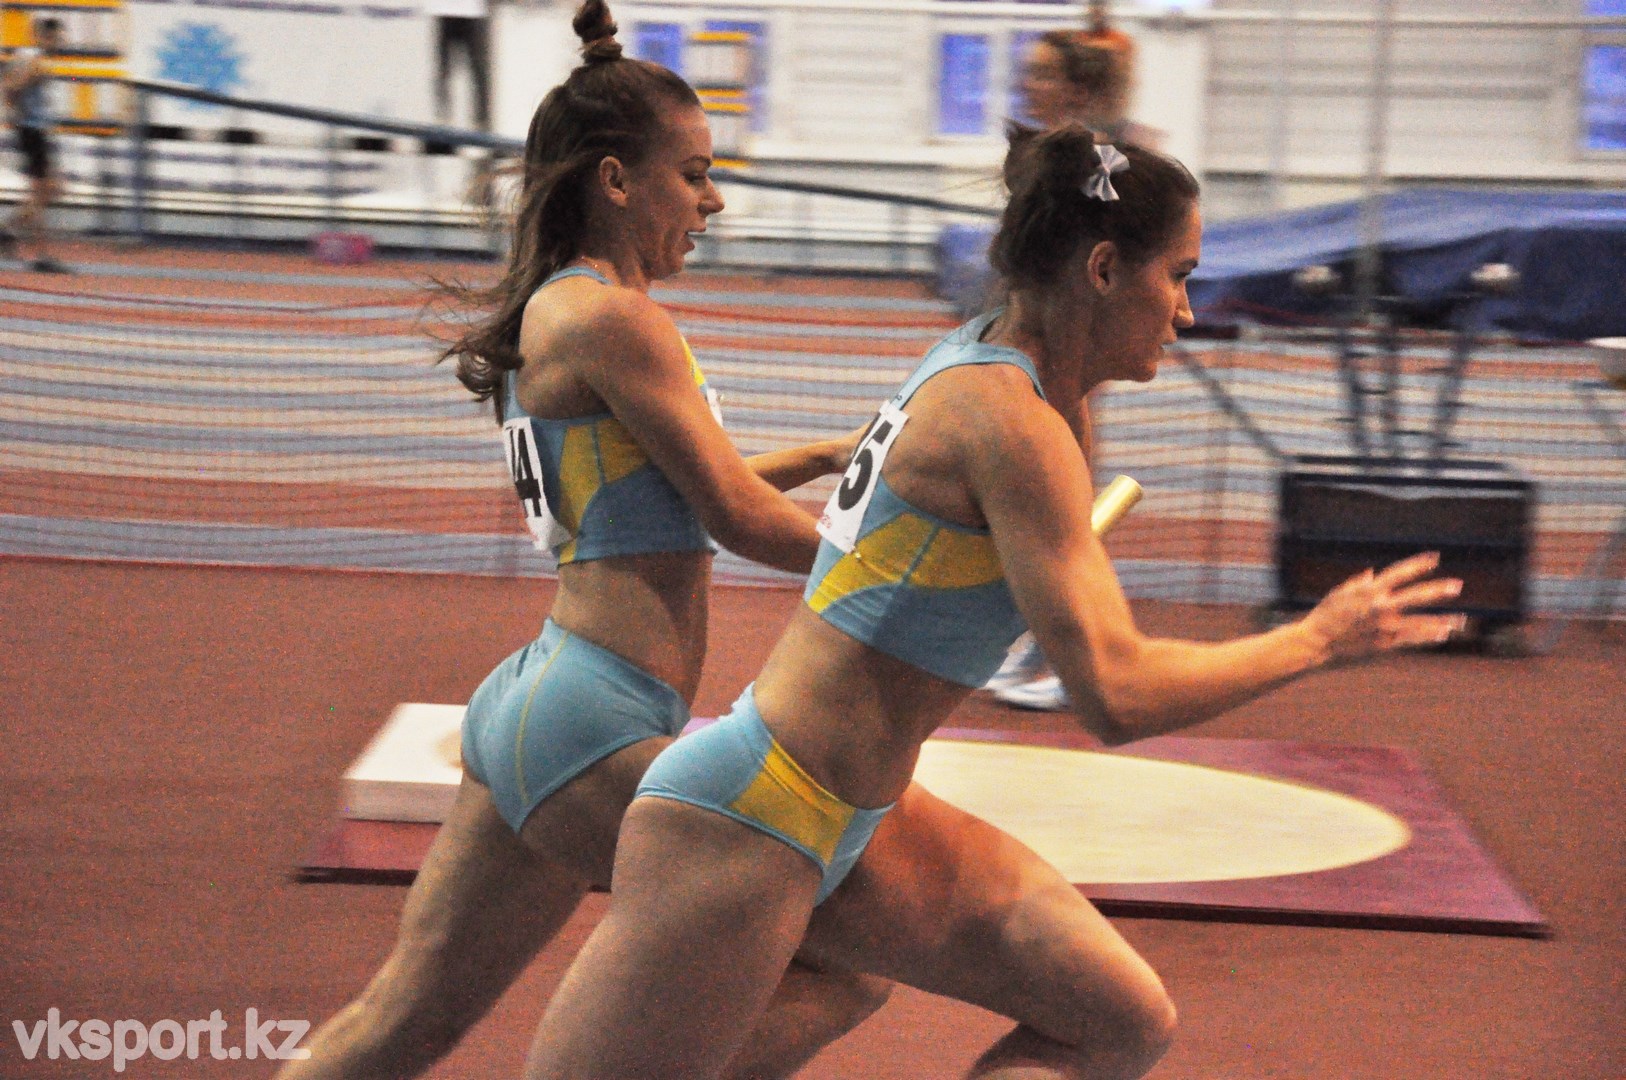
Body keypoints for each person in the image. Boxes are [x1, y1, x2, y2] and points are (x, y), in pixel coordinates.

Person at [524, 125, 1466, 1080]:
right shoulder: (1008, 419)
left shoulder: (1029, 388)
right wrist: (1318, 639)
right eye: (1178, 276)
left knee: (1117, 1018)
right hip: (753, 811)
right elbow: (1117, 695)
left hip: (858, 813)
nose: (1185, 310)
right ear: (1104, 268)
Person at [276, 4, 882, 1076]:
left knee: (403, 1021)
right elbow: (734, 518)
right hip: (592, 727)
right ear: (615, 180)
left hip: (545, 704)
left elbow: (668, 494)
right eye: (694, 175)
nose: (714, 200)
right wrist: (904, 572)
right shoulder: (615, 319)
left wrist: (829, 455)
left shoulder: (571, 309)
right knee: (853, 956)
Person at [990, 3, 1164, 709]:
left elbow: (1105, 244)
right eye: (1026, 73)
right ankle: (1046, 647)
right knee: (1041, 500)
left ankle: (1075, 656)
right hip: (1033, 344)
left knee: (1062, 502)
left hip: (1075, 348)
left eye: (1042, 74)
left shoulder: (1101, 160)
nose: (1027, 85)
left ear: (1077, 88)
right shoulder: (1046, 155)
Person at [1, 15, 71, 273]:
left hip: (32, 130)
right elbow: (12, 86)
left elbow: (7, 84)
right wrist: (17, 113)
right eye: (57, 37)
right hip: (32, 131)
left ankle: (8, 231)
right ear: (44, 36)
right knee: (41, 193)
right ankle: (39, 253)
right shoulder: (34, 61)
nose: (60, 42)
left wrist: (14, 111)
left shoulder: (25, 56)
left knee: (50, 190)